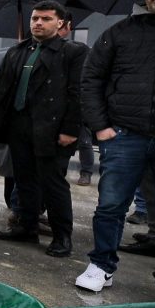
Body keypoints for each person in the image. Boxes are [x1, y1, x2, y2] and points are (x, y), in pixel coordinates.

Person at [75, 0, 155, 302]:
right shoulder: (122, 32)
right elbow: (91, 79)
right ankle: (101, 265)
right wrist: (100, 127)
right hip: (125, 137)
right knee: (111, 206)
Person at [0, 1, 87, 258]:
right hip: (19, 127)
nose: (38, 23)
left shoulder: (73, 52)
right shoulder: (18, 51)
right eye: (35, 19)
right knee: (25, 181)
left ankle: (62, 236)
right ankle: (26, 227)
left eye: (45, 19)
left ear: (60, 24)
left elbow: (78, 94)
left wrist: (70, 129)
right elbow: (2, 91)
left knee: (52, 185)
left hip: (51, 129)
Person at [58, 10, 95, 186]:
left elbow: (84, 80)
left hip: (76, 104)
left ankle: (86, 172)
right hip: (54, 107)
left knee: (84, 141)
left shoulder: (79, 51)